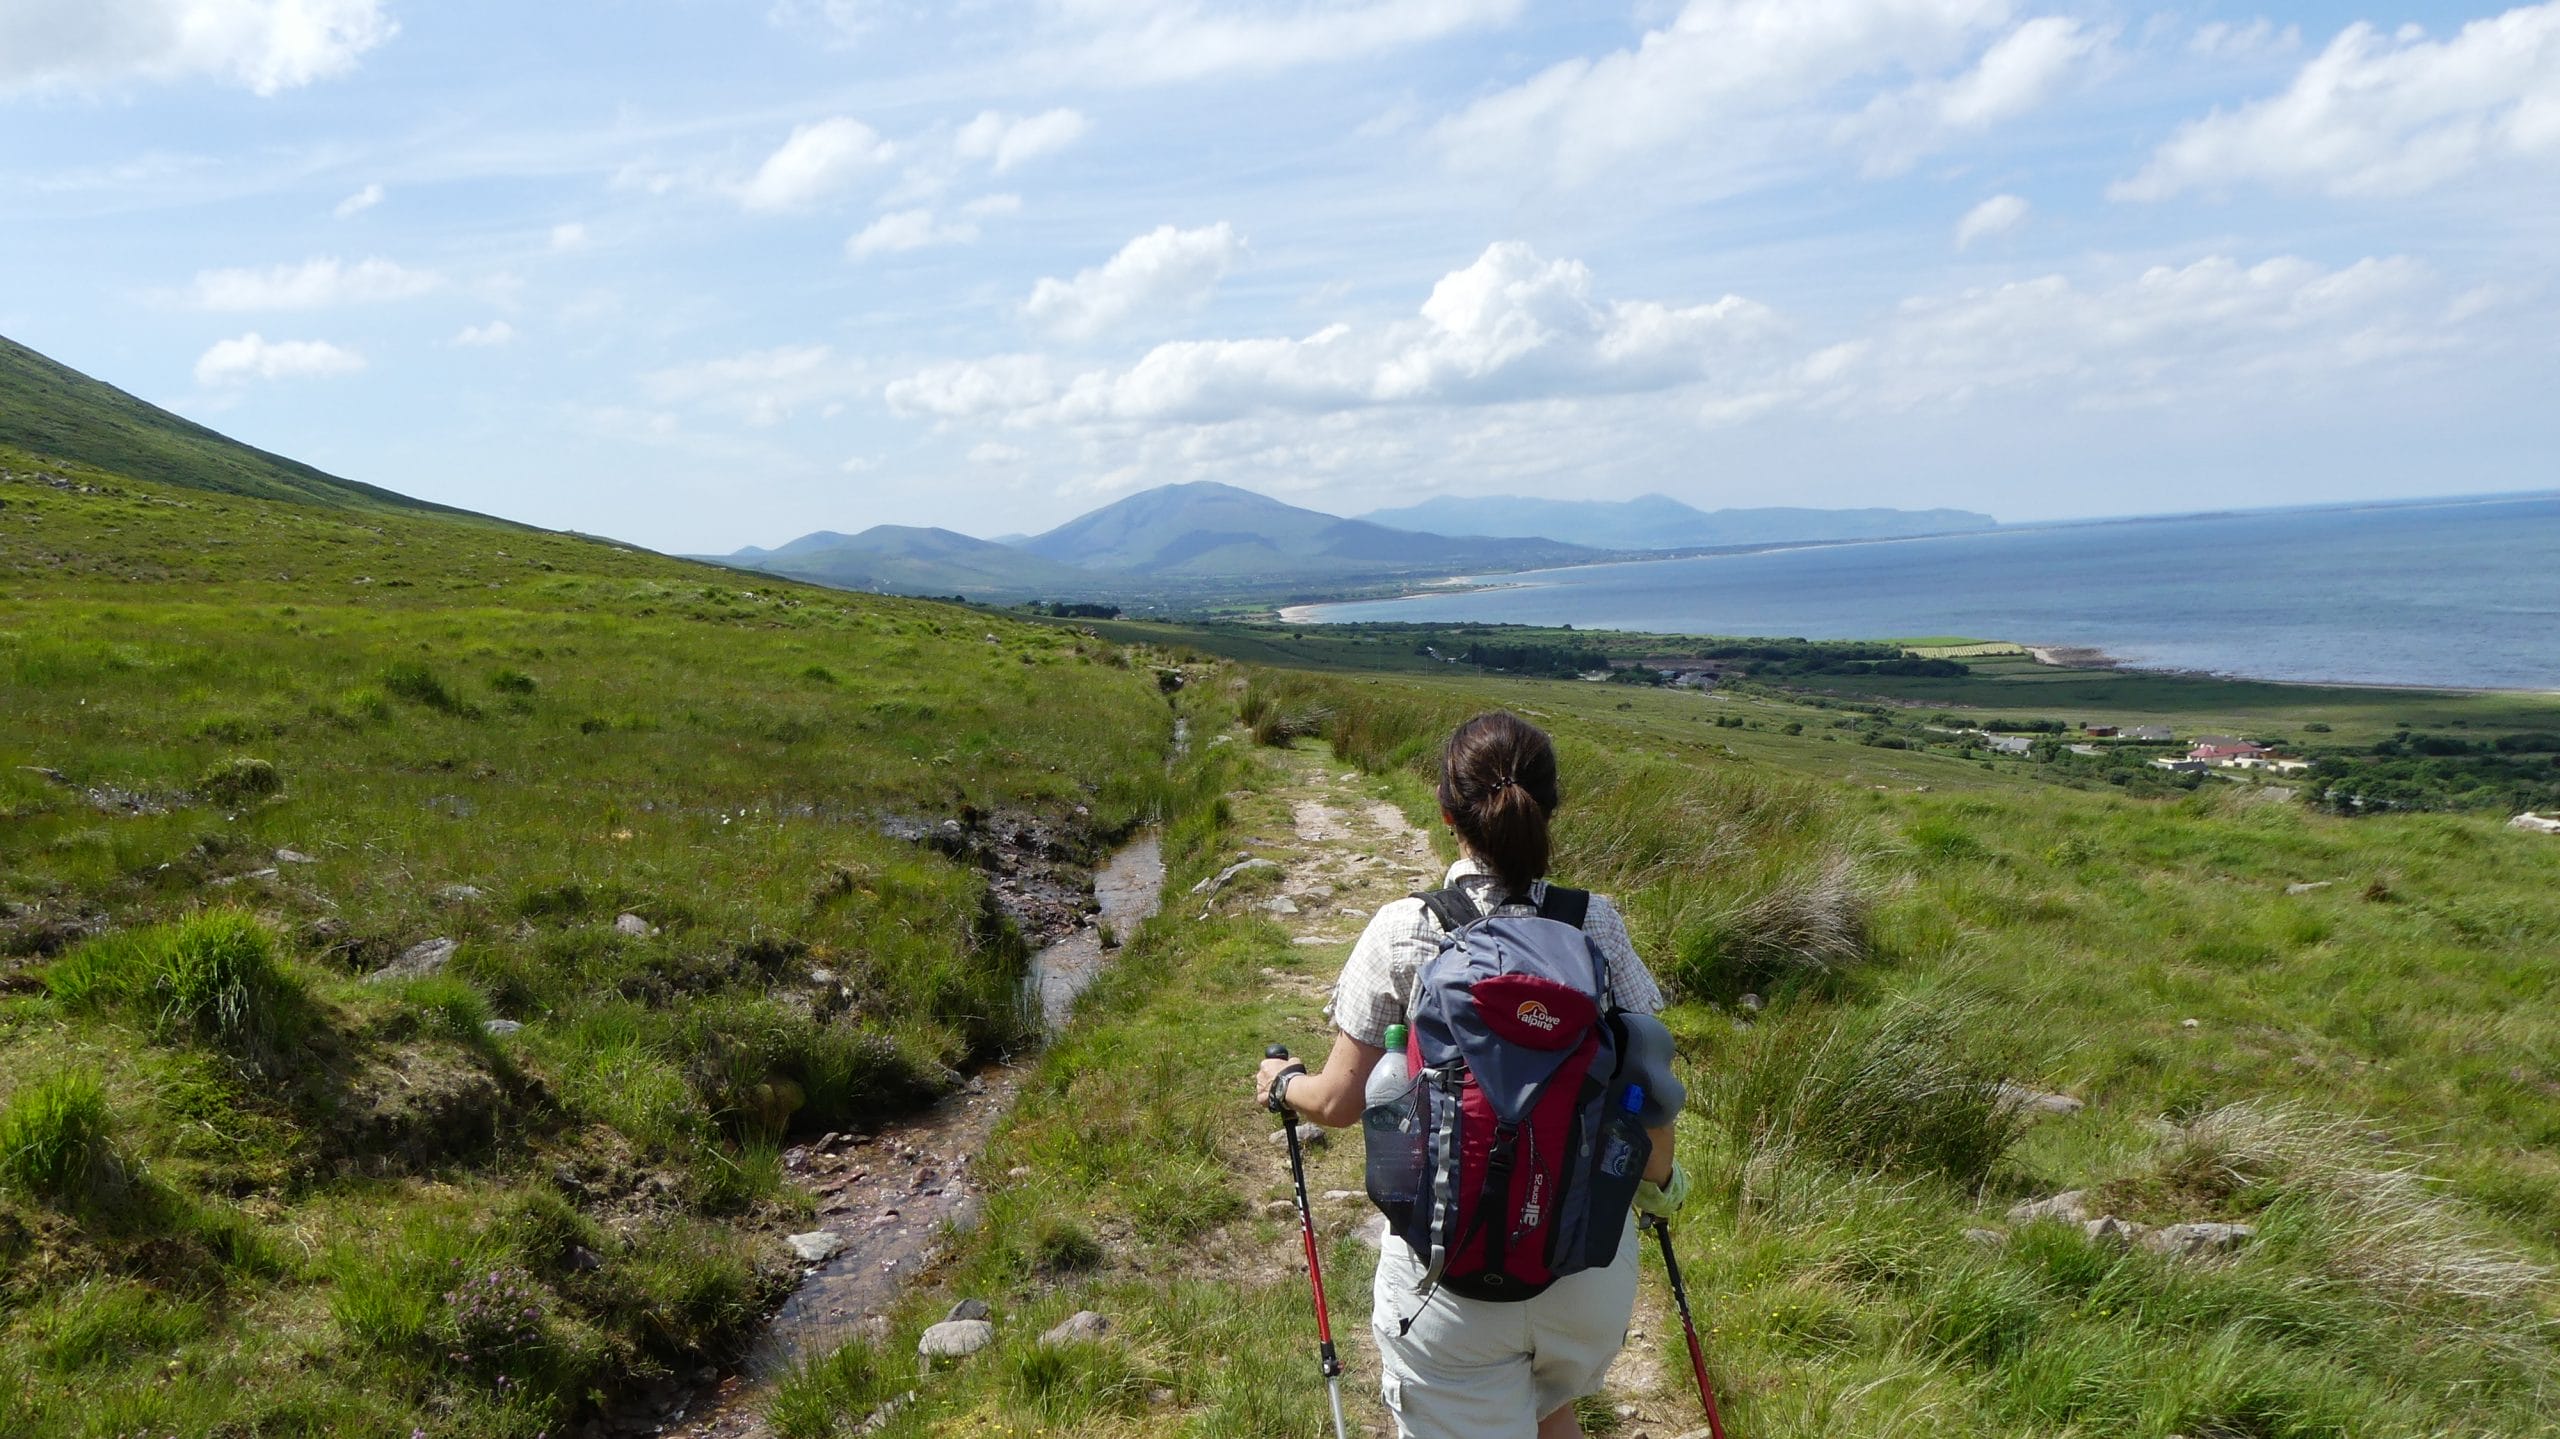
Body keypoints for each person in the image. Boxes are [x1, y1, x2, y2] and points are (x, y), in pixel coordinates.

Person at [1251, 711, 1689, 1439]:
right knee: (1550, 1404)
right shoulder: (1598, 924)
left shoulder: (1402, 927)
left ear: (1447, 811)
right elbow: (1649, 1083)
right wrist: (1663, 1188)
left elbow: (1335, 1100)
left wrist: (1278, 1081)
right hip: (1584, 1270)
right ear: (1550, 810)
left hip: (1447, 1279)